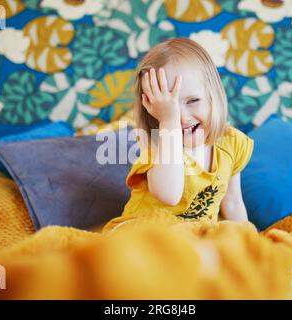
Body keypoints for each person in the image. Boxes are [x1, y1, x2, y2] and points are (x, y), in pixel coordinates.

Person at [102, 37, 254, 233]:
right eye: (168, 108)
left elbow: (232, 202)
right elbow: (169, 194)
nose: (182, 118)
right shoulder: (157, 146)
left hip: (196, 236)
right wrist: (168, 122)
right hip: (144, 232)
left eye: (193, 101)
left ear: (213, 95)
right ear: (152, 110)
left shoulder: (233, 143)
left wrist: (248, 241)